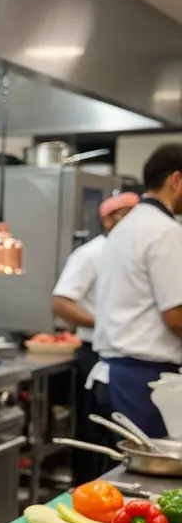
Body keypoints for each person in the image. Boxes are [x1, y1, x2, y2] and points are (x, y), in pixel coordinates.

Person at [93, 144, 182, 438]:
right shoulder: (166, 232)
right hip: (146, 380)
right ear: (176, 180)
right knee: (146, 478)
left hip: (117, 374)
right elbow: (175, 314)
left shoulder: (127, 227)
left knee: (122, 474)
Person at [52, 192, 137, 482]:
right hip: (94, 352)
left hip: (124, 354)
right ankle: (87, 493)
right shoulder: (91, 253)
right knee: (95, 437)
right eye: (122, 214)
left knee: (118, 439)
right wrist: (104, 323)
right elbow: (61, 302)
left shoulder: (133, 251)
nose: (130, 221)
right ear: (106, 219)